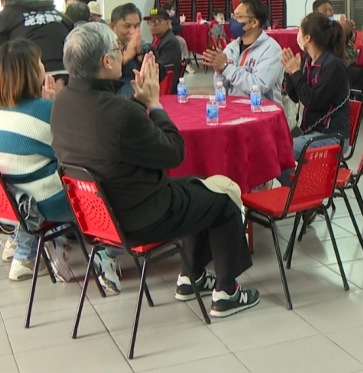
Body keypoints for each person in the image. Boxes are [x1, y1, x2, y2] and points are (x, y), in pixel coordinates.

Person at [50, 23, 259, 316]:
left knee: (199, 186)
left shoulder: (62, 102)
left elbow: (114, 131)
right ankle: (227, 292)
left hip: (98, 216)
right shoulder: (121, 113)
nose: (122, 53)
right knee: (222, 202)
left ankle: (193, 277)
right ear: (106, 61)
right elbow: (174, 153)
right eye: (118, 49)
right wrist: (154, 104)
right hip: (140, 216)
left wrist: (138, 102)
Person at [0, 39, 78, 282]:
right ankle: (104, 252)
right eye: (39, 62)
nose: (43, 66)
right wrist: (57, 107)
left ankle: (26, 250)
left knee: (30, 173)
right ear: (30, 72)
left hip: (3, 202)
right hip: (42, 204)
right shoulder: (43, 111)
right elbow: (72, 152)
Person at [278, 13, 351, 186]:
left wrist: (296, 73)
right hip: (311, 131)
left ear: (307, 38)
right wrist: (291, 73)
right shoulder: (308, 59)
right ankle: (299, 190)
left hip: (331, 136)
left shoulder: (333, 65)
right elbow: (296, 96)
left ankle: (301, 193)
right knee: (271, 147)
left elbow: (313, 101)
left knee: (278, 152)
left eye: (300, 31)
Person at [202, 0, 283, 103]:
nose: (234, 21)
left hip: (261, 109)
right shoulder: (231, 47)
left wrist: (226, 67)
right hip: (234, 108)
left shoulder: (271, 49)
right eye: (234, 16)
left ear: (254, 22)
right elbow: (221, 88)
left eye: (239, 17)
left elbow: (259, 86)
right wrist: (220, 73)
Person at [0, 0, 73, 79]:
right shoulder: (59, 14)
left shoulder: (3, 17)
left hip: (30, 75)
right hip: (69, 72)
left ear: (5, 3)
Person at [313, 0, 363, 98]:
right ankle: (360, 102)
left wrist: (349, 28)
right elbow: (330, 49)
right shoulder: (316, 29)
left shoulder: (334, 25)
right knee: (362, 74)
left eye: (331, 10)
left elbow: (352, 38)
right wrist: (343, 31)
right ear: (316, 13)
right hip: (330, 68)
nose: (329, 13)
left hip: (345, 62)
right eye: (325, 10)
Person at [110, 3, 150, 97]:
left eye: (137, 26)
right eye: (127, 26)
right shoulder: (103, 48)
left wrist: (140, 55)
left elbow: (160, 75)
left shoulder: (146, 48)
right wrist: (126, 57)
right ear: (112, 27)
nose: (132, 31)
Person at [145, 7, 181, 94]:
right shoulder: (158, 38)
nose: (153, 24)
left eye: (157, 21)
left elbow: (162, 69)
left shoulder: (170, 42)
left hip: (164, 87)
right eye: (150, 22)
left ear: (168, 23)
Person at [162, 2, 195, 74]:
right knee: (182, 42)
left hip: (173, 35)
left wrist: (173, 27)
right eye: (172, 10)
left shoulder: (173, 17)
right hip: (166, 36)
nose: (173, 11)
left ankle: (185, 61)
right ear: (167, 10)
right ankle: (186, 64)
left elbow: (178, 27)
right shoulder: (163, 18)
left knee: (185, 41)